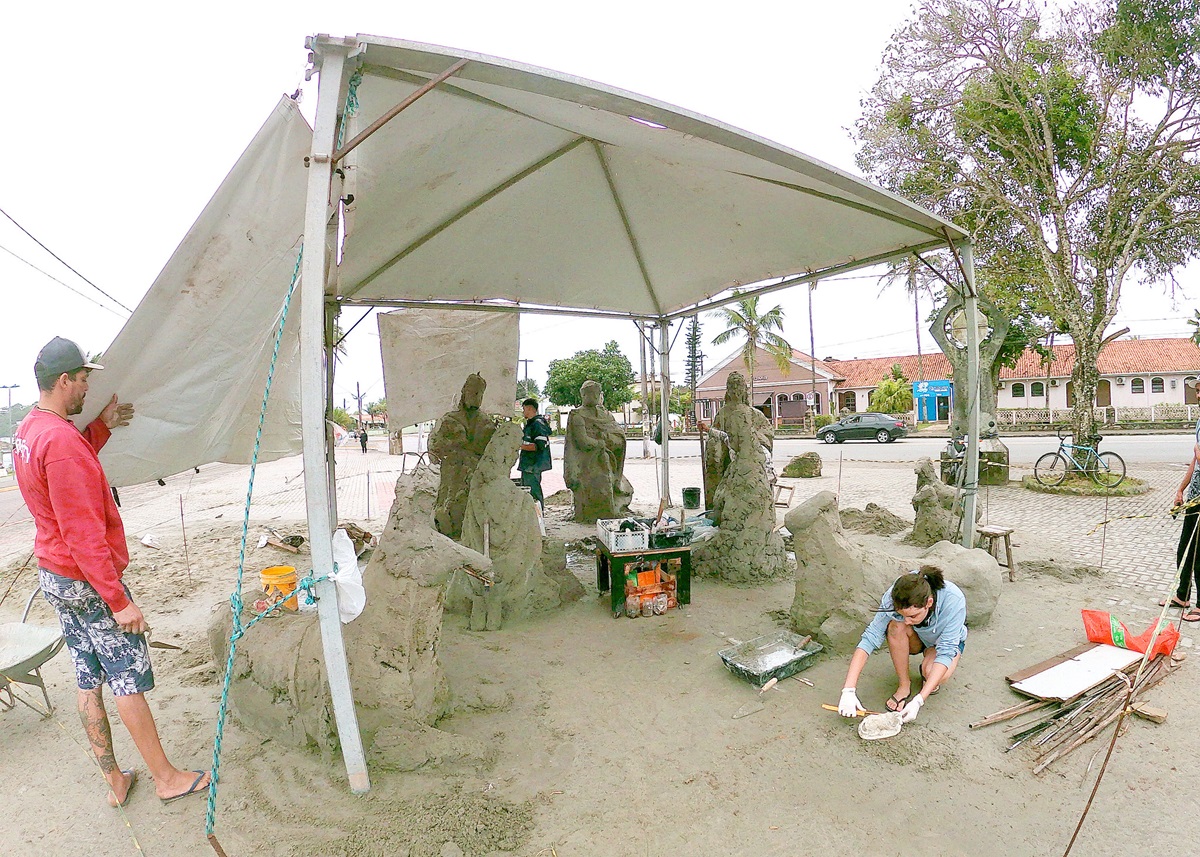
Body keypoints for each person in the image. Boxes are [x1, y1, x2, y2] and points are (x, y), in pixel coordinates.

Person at [12, 337, 210, 807]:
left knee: (88, 675)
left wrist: (99, 429)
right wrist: (119, 601)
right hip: (83, 578)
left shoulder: (32, 428)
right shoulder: (60, 443)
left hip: (55, 575)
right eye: (82, 380)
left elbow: (61, 463)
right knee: (126, 675)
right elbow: (83, 534)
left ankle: (116, 779)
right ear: (64, 381)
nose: (86, 389)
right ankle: (165, 778)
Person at [837, 567, 967, 724]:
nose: (907, 621)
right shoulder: (896, 594)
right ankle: (904, 685)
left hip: (943, 642)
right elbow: (870, 637)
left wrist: (919, 699)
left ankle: (927, 672)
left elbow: (946, 652)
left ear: (929, 602)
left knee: (933, 673)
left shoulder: (954, 600)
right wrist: (848, 689)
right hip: (917, 637)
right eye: (903, 615)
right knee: (896, 627)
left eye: (913, 616)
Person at [563, 380, 633, 523]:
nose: (593, 396)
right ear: (582, 394)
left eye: (596, 393)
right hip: (585, 461)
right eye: (590, 393)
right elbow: (582, 441)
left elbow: (618, 434)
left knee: (617, 480)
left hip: (607, 455)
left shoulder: (605, 415)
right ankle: (593, 513)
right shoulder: (578, 415)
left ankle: (614, 507)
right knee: (600, 478)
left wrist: (610, 439)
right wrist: (600, 443)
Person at [1167, 405, 1200, 619]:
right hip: (1195, 495)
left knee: (1199, 553)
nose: (1198, 395)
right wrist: (1181, 489)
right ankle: (1182, 595)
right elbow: (1195, 461)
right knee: (1185, 548)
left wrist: (1198, 451)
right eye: (1197, 390)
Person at [518, 398, 552, 510]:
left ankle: (538, 517)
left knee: (534, 493)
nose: (523, 412)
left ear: (530, 409)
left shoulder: (538, 424)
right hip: (528, 465)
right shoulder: (530, 424)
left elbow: (539, 445)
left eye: (524, 409)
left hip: (533, 465)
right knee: (529, 493)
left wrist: (518, 446)